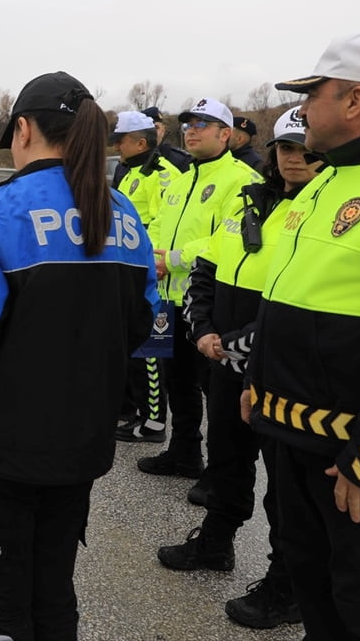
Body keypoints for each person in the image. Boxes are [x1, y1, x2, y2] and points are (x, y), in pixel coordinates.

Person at [0, 71, 157, 641]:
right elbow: (141, 327)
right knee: (53, 596)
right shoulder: (122, 213)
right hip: (80, 445)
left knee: (2, 614)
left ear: (23, 129)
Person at [156, 106, 322, 630]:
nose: (294, 158)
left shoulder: (318, 211)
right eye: (286, 148)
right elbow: (208, 269)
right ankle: (216, 542)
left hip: (276, 365)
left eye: (304, 148)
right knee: (226, 456)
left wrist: (243, 344)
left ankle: (287, 584)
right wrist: (204, 327)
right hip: (224, 356)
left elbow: (298, 301)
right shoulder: (252, 199)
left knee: (285, 488)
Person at [245, 32, 360, 640]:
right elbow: (287, 298)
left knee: (358, 601)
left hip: (350, 462)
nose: (301, 108)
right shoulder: (321, 183)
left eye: (312, 94)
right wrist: (257, 383)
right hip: (292, 437)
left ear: (354, 100)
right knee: (314, 587)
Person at [137, 98, 260, 487]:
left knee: (215, 392)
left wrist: (172, 258)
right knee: (176, 381)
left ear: (225, 134)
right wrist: (150, 255)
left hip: (203, 303)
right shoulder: (178, 178)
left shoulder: (241, 179)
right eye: (189, 124)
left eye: (203, 124)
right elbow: (157, 223)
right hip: (164, 298)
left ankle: (218, 476)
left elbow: (226, 238)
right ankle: (184, 451)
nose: (191, 130)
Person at [111, 110, 181, 443]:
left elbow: (162, 221)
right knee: (132, 346)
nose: (117, 148)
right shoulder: (129, 171)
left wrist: (146, 257)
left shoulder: (163, 173)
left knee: (150, 350)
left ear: (140, 141)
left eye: (121, 141)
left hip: (151, 272)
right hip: (127, 268)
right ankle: (133, 410)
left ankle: (153, 422)